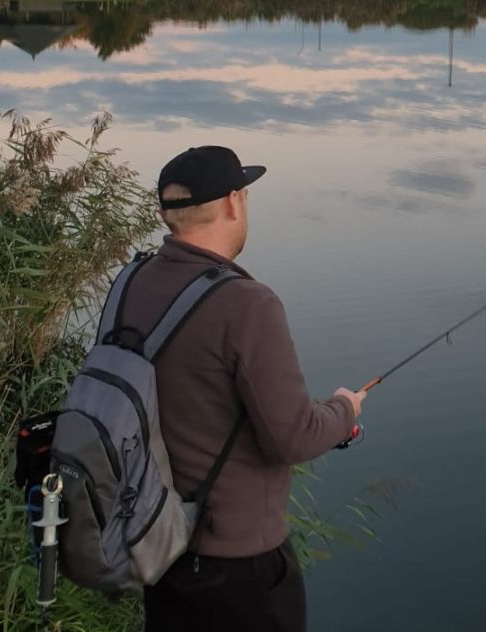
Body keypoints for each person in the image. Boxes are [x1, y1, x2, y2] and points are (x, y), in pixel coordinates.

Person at [124, 145, 365, 632]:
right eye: (246, 196)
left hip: (160, 548)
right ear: (233, 202)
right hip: (237, 566)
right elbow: (292, 437)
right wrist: (344, 409)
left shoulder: (132, 283)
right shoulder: (246, 304)